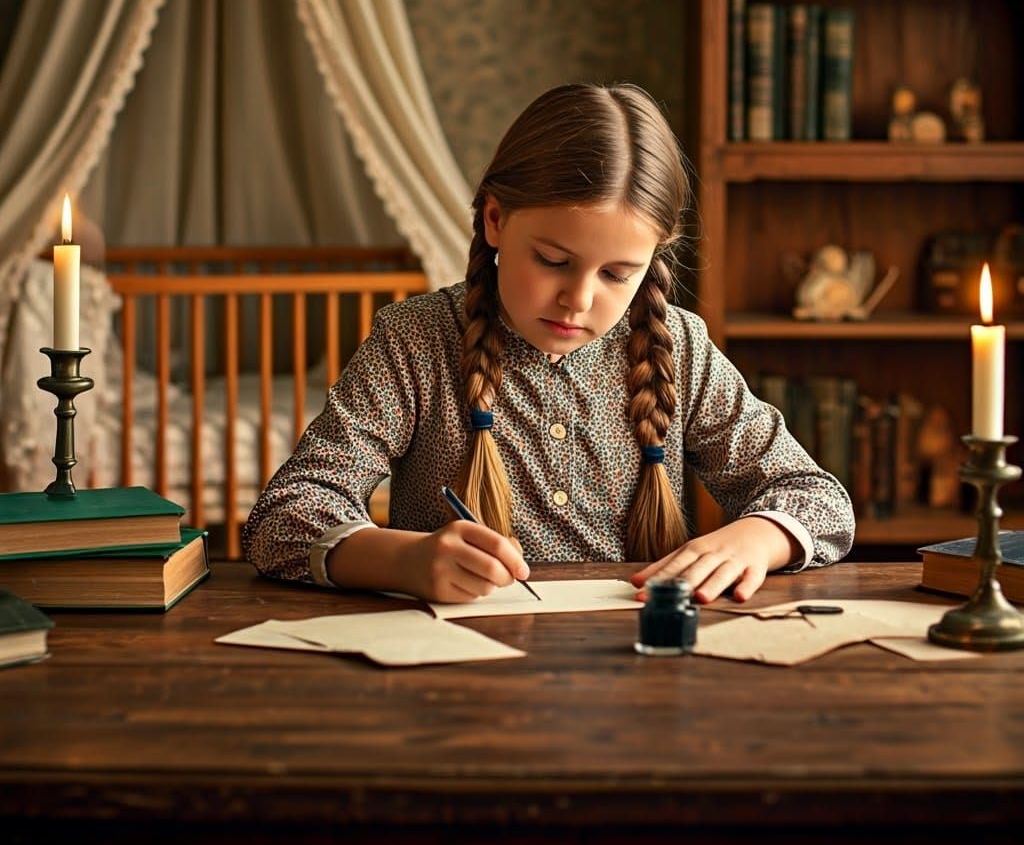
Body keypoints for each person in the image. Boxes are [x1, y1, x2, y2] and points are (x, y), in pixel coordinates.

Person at [243, 83, 854, 604]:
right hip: (459, 674)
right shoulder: (417, 341)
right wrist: (402, 561)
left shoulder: (682, 349)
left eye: (617, 274)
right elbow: (283, 517)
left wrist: (757, 537)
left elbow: (820, 499)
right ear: (495, 220)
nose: (579, 299)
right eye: (553, 260)